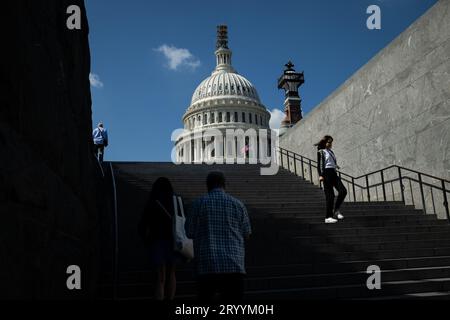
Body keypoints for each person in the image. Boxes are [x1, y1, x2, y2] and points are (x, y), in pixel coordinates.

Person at [186, 171, 251, 302]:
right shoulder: (238, 204)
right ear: (224, 184)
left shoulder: (198, 204)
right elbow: (247, 234)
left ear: (207, 185)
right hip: (234, 264)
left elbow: (189, 232)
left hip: (207, 264)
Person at [138, 177, 182, 300]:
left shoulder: (152, 202)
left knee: (160, 277)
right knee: (172, 273)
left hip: (157, 242)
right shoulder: (176, 202)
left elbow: (142, 225)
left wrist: (147, 241)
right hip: (174, 241)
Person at [315, 135, 347, 224]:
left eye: (331, 142)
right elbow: (320, 164)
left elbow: (330, 161)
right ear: (325, 143)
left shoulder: (331, 152)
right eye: (329, 142)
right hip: (326, 173)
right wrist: (321, 175)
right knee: (330, 196)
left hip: (333, 173)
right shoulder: (321, 151)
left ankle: (336, 210)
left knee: (343, 191)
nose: (330, 144)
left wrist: (335, 165)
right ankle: (328, 217)